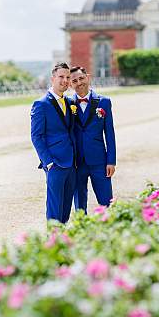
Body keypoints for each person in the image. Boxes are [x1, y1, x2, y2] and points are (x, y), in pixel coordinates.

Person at [30, 62, 76, 223]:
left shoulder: (70, 103)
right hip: (55, 163)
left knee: (66, 209)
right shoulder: (41, 104)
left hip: (71, 163)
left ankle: (63, 243)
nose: (65, 80)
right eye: (61, 77)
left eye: (68, 77)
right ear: (53, 78)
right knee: (54, 208)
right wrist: (48, 162)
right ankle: (53, 243)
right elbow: (36, 136)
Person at [70, 66, 116, 213]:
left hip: (99, 162)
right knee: (79, 205)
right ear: (71, 84)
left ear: (88, 77)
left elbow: (110, 133)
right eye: (74, 81)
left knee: (106, 202)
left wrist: (111, 161)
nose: (79, 83)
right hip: (77, 163)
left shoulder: (104, 102)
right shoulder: (68, 104)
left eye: (81, 78)